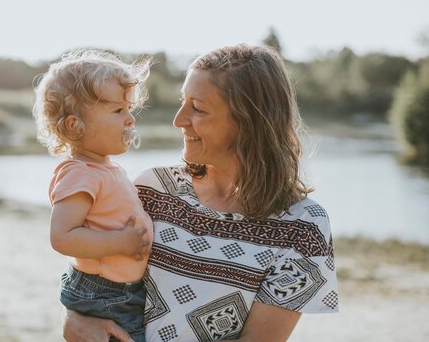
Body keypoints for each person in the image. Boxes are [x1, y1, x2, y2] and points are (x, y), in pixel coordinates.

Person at [62, 44, 339, 342]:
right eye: (183, 102)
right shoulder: (151, 190)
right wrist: (73, 322)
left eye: (198, 108)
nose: (179, 120)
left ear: (249, 122)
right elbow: (94, 285)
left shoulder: (302, 227)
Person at [33, 49, 155, 342]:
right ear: (76, 125)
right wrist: (121, 242)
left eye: (129, 110)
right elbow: (62, 237)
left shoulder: (104, 168)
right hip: (104, 293)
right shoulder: (79, 174)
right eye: (117, 111)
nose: (129, 120)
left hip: (120, 289)